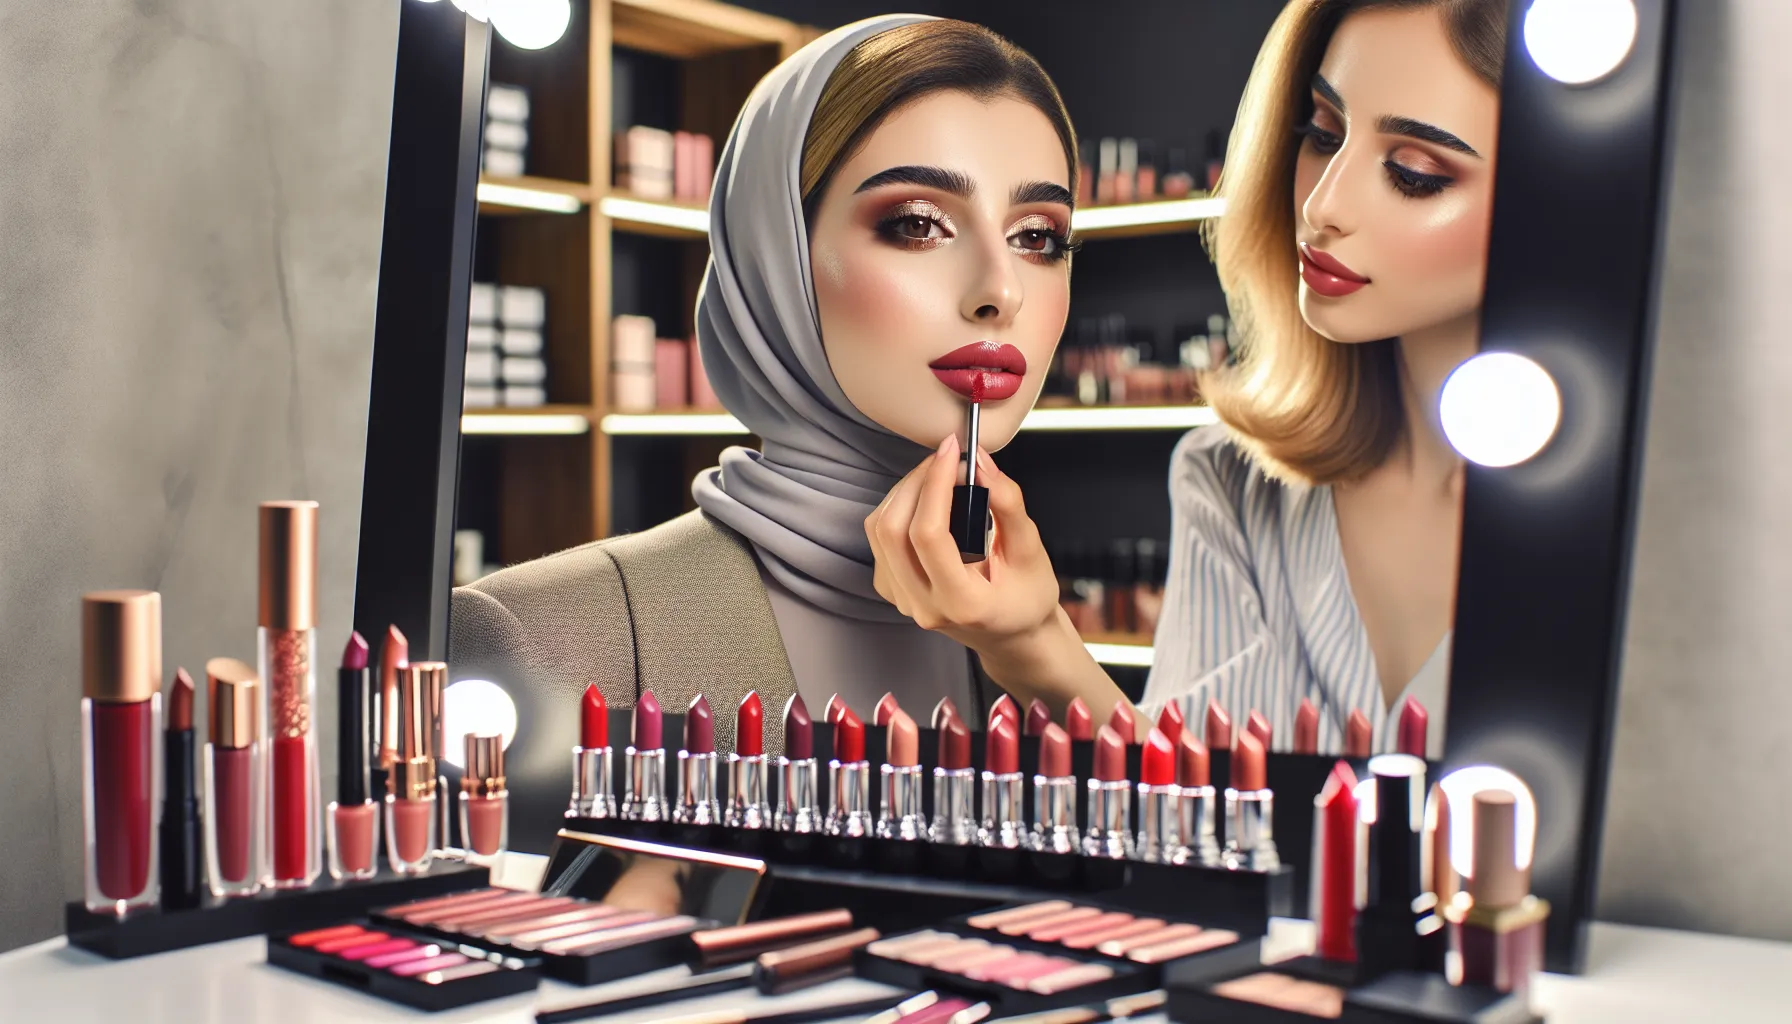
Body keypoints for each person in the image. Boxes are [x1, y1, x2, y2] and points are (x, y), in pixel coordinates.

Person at [868, 0, 1507, 759]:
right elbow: (1193, 812)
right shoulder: (1232, 481)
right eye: (1322, 135)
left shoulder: (1642, 520)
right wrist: (1030, 638)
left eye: (1415, 174)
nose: (1322, 205)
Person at [450, 15, 1080, 756]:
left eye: (1037, 236)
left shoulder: (1027, 629)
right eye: (916, 224)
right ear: (773, 252)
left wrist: (1043, 648)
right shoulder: (535, 636)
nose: (1001, 292)